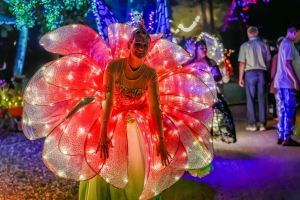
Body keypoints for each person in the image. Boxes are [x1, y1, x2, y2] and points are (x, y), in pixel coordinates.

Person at [22, 21, 215, 199]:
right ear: (129, 44)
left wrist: (161, 142)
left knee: (137, 171)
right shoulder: (114, 67)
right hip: (112, 122)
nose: (140, 49)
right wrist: (103, 133)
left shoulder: (150, 73)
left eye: (144, 46)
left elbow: (155, 108)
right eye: (137, 44)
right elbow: (107, 101)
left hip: (138, 127)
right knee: (106, 166)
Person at [185, 38, 236, 143]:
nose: (204, 50)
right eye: (201, 48)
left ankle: (211, 137)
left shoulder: (211, 61)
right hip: (196, 94)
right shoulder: (191, 62)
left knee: (215, 114)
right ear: (196, 49)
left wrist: (213, 76)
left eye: (205, 48)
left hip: (210, 93)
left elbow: (218, 77)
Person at [238, 26, 271, 131]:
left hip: (250, 74)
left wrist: (240, 78)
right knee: (262, 98)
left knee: (251, 99)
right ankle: (262, 124)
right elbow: (268, 60)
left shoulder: (244, 46)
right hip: (261, 72)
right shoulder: (264, 45)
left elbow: (242, 63)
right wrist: (265, 69)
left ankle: (252, 124)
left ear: (248, 34)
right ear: (257, 33)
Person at [273, 26, 300, 146]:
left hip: (282, 82)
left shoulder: (284, 43)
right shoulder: (288, 44)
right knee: (290, 108)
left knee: (284, 109)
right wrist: (295, 80)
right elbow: (287, 64)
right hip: (287, 83)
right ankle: (287, 137)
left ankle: (282, 135)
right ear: (294, 33)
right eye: (299, 34)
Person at [269, 36, 284, 128]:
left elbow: (273, 71)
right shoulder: (292, 55)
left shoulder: (276, 57)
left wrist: (271, 80)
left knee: (279, 103)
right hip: (289, 83)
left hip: (278, 83)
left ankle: (281, 123)